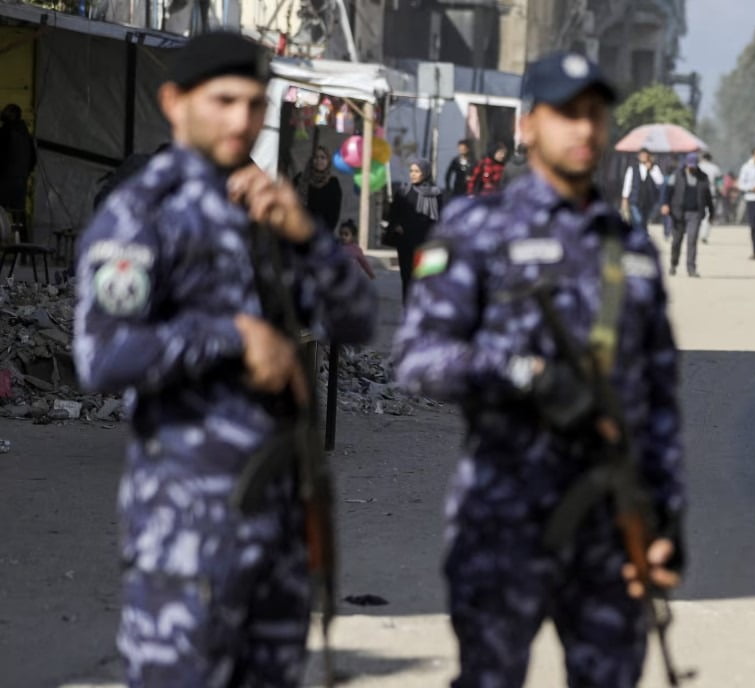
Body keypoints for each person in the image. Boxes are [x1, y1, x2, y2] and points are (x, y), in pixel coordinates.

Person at [73, 32, 377, 686]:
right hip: (188, 540)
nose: (243, 120)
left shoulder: (264, 210)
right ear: (175, 102)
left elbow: (358, 320)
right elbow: (102, 357)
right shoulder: (141, 213)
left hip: (281, 530)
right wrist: (233, 338)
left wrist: (308, 237)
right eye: (225, 100)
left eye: (257, 103)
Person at [394, 51, 685, 687]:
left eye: (595, 116)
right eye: (567, 115)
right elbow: (419, 359)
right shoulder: (478, 229)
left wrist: (666, 516)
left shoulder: (629, 246)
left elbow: (660, 396)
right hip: (505, 519)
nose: (584, 130)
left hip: (610, 524)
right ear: (528, 126)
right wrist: (525, 374)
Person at [387, 158, 443, 301]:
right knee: (407, 278)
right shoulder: (403, 191)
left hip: (426, 242)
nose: (413, 174)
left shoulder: (435, 193)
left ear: (425, 173)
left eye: (417, 171)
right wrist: (396, 226)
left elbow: (440, 218)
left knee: (425, 279)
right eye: (411, 171)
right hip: (406, 242)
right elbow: (393, 214)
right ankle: (408, 310)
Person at [662, 151, 714, 277]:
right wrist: (665, 204)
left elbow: (708, 197)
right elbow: (667, 191)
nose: (691, 168)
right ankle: (674, 264)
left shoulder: (703, 177)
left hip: (695, 213)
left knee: (692, 240)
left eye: (694, 165)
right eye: (689, 165)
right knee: (677, 241)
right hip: (678, 212)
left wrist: (712, 212)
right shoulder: (677, 175)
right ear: (685, 164)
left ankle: (691, 268)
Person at [0, 103, 37, 223]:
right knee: (18, 215)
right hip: (21, 180)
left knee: (2, 214)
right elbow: (33, 159)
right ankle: (21, 239)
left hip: (5, 180)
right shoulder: (26, 133)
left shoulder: (5, 132)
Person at [295, 145, 342, 232]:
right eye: (316, 157)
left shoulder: (333, 183)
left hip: (322, 233)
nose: (319, 161)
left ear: (328, 161)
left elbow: (334, 213)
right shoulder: (301, 179)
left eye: (323, 158)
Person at [620, 147, 665, 235]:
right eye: (642, 155)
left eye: (645, 155)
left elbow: (660, 182)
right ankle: (641, 235)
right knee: (638, 220)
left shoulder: (654, 168)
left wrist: (651, 169)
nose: (643, 157)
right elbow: (627, 184)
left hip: (648, 200)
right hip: (635, 199)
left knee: (644, 221)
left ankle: (642, 236)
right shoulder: (632, 168)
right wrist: (624, 198)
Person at [697, 151, 722, 244]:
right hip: (711, 193)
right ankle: (704, 235)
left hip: (698, 193)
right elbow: (719, 182)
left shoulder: (698, 166)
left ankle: (698, 234)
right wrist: (720, 190)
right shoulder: (715, 168)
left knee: (698, 214)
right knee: (708, 216)